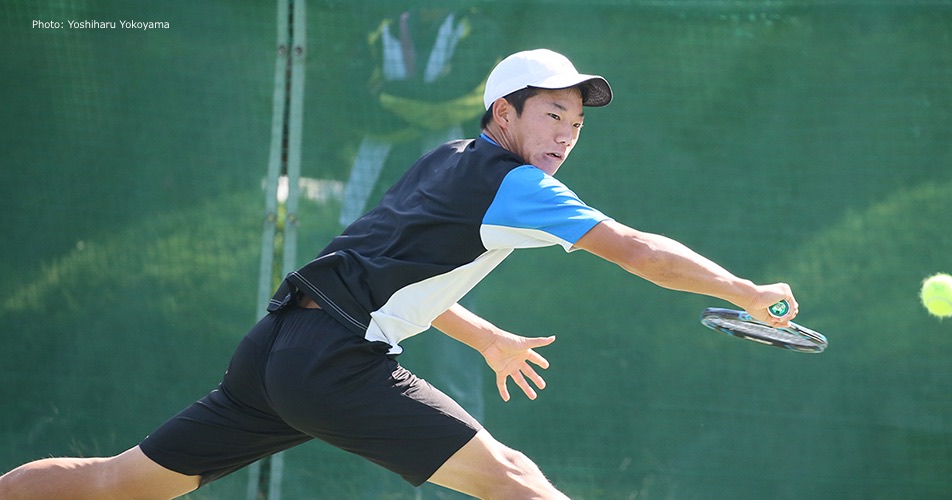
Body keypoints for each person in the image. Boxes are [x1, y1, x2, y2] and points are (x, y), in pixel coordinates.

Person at [0, 48, 798, 499]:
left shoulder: (445, 161)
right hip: (333, 364)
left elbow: (384, 272)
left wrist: (484, 337)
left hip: (278, 346)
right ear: (503, 115)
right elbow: (637, 251)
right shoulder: (518, 185)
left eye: (577, 121)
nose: (566, 132)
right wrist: (745, 291)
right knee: (516, 480)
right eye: (551, 113)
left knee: (117, 485)